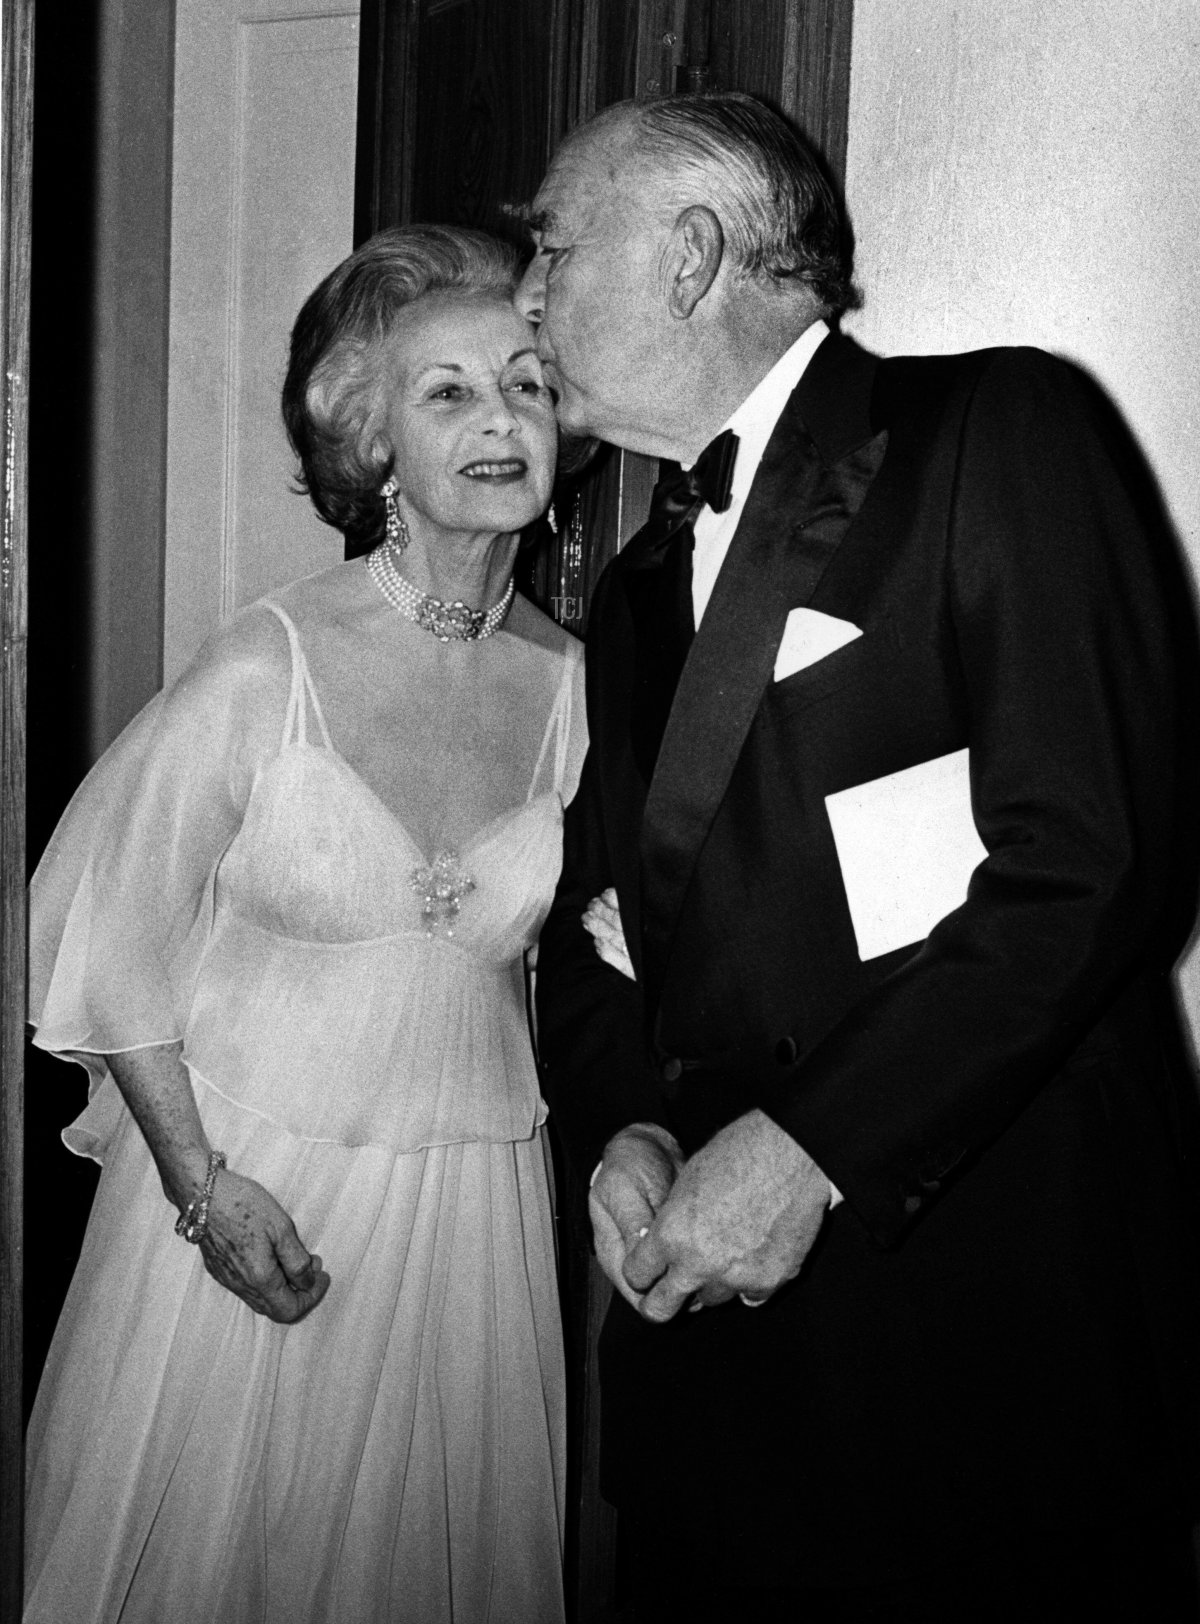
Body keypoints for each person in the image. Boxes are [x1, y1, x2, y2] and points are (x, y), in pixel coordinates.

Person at [519, 93, 1200, 1622]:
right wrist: (624, 1127)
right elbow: (590, 922)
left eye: (552, 248)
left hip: (987, 1342)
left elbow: (1089, 863)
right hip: (721, 1381)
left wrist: (811, 1148)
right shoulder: (631, 583)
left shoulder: (994, 433)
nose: (528, 295)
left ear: (692, 254)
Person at [25, 224, 585, 1624]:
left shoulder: (582, 683)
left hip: (468, 1229)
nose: (501, 417)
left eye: (528, 382)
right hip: (244, 1195)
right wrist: (202, 1189)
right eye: (446, 390)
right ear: (371, 437)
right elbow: (106, 937)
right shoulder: (263, 660)